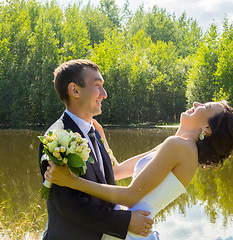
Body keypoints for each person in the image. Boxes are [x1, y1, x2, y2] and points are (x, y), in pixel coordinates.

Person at [44, 99, 233, 239]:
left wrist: (72, 181)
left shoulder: (179, 147)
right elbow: (117, 171)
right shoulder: (178, 145)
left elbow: (130, 196)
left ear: (207, 129)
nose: (196, 104)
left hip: (127, 231)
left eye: (205, 106)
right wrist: (101, 138)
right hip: (127, 227)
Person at [38, 59, 154, 240]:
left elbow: (107, 180)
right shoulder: (56, 138)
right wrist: (125, 221)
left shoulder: (94, 131)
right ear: (75, 90)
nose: (104, 94)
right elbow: (70, 206)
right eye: (98, 86)